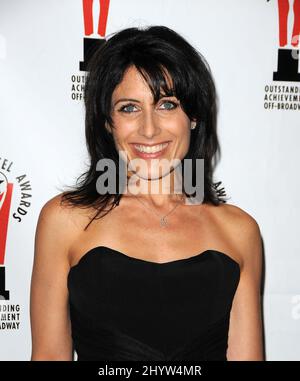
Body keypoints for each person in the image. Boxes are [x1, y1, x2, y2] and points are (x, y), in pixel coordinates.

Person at [30, 25, 264, 361]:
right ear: (107, 122)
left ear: (194, 117)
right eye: (129, 108)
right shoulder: (64, 220)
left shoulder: (239, 231)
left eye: (167, 105)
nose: (149, 129)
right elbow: (50, 355)